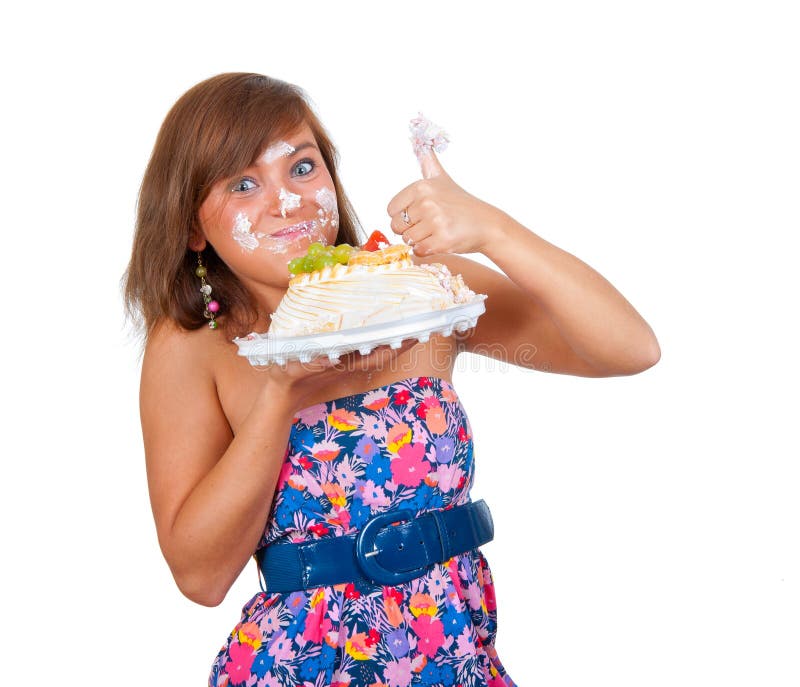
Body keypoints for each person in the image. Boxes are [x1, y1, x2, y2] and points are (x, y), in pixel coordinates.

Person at [121, 72, 660, 687]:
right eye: (244, 183)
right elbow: (200, 577)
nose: (287, 201)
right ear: (192, 227)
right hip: (300, 668)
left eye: (302, 168)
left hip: (455, 657)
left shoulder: (419, 290)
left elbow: (629, 348)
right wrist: (279, 396)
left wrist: (495, 231)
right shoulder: (194, 346)